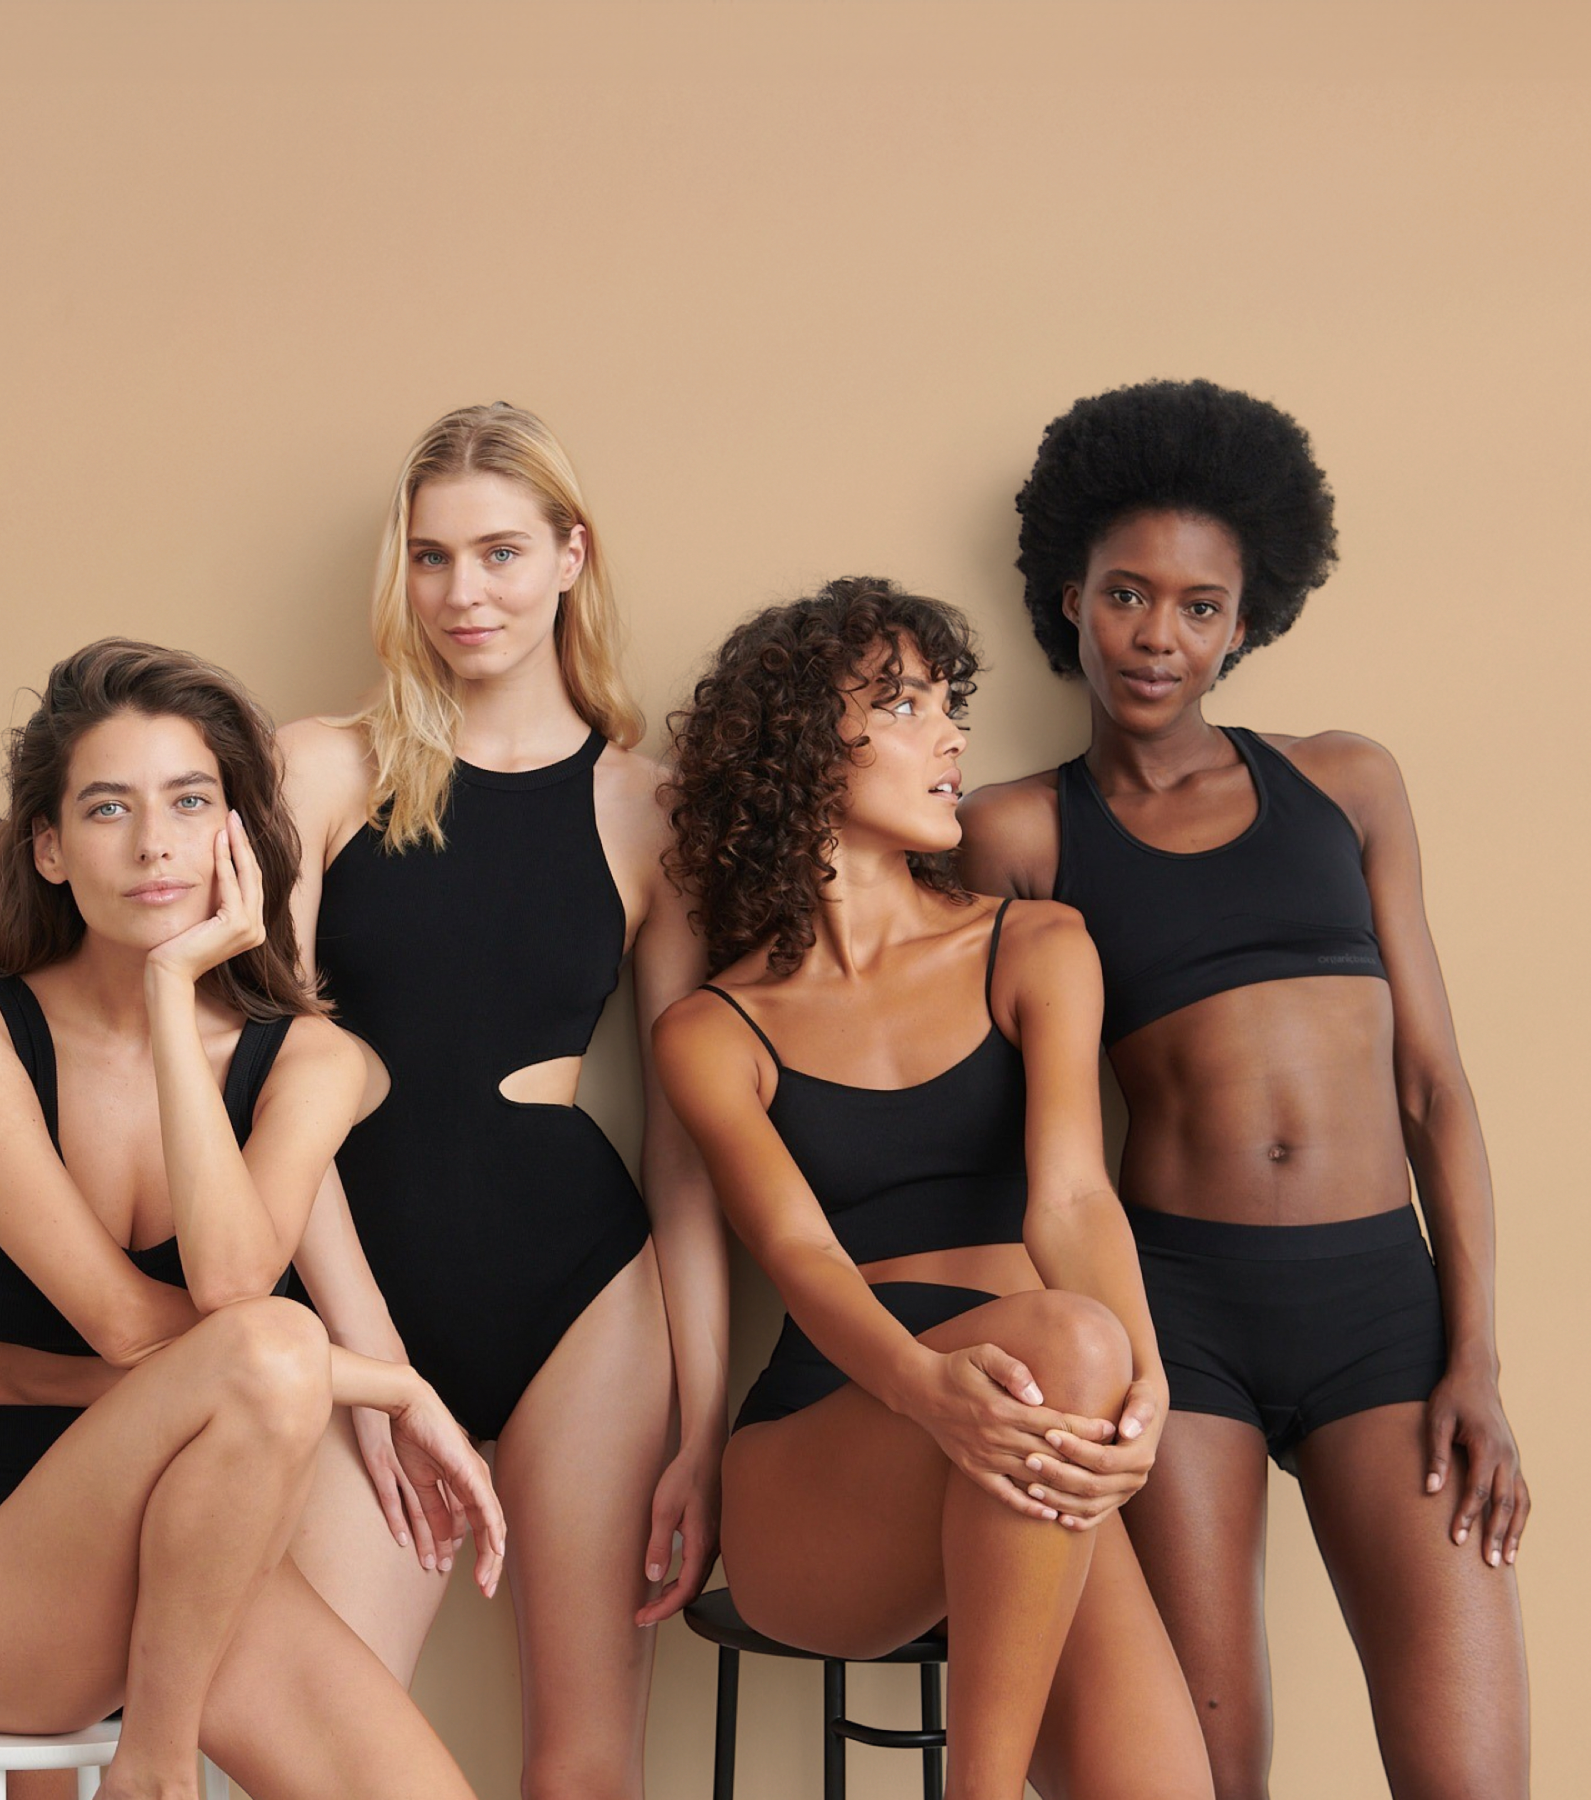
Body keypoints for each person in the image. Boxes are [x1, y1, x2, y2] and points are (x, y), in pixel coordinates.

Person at [959, 378, 1532, 1799]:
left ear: (1249, 614)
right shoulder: (1020, 831)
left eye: (1200, 606)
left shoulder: (1349, 785)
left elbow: (1435, 1089)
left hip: (1380, 1311)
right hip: (1177, 1317)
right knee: (1205, 1775)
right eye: (1127, 596)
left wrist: (1477, 1358)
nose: (1159, 636)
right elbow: (975, 1111)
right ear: (1070, 598)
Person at [0, 638, 505, 1799]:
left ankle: (153, 1758)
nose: (154, 843)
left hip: (203, 1566)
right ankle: (158, 1767)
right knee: (274, 1344)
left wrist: (176, 995)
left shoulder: (311, 1062)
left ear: (236, 831)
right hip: (3, 1580)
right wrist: (387, 1381)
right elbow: (132, 1329)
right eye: (107, 808)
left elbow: (229, 1284)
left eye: (189, 801)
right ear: (49, 848)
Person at [653, 578, 1211, 1800]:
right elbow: (797, 1257)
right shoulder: (713, 1028)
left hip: (1034, 1410)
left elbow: (1069, 1202)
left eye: (949, 703)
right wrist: (923, 1391)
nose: (952, 734)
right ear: (801, 749)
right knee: (1057, 1346)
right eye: (904, 705)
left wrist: (1146, 1385)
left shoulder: (1037, 945)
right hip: (832, 1456)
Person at [275, 402, 722, 1794]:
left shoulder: (649, 809)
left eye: (501, 553)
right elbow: (258, 1076)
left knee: (586, 1755)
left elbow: (691, 1142)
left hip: (581, 1294)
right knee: (322, 1742)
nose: (464, 594)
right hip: (353, 1293)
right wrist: (370, 1371)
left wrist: (702, 1425)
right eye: (430, 558)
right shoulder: (322, 770)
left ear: (572, 555)